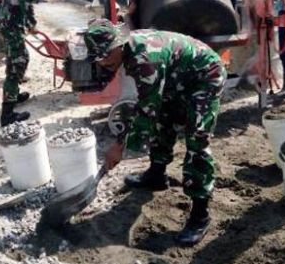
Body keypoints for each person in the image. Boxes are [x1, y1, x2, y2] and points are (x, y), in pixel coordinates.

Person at [84, 22, 227, 246]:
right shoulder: (129, 53)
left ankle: (201, 215)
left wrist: (119, 147)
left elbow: (146, 110)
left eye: (106, 55)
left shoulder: (145, 59)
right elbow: (149, 104)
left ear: (119, 45)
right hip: (176, 77)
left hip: (204, 75)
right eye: (98, 58)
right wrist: (123, 142)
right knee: (163, 120)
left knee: (197, 138)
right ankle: (156, 175)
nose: (103, 62)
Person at [0, 0, 55, 126]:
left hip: (4, 20)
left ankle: (13, 96)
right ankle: (7, 115)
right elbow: (26, 0)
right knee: (17, 64)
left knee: (18, 59)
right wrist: (31, 23)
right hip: (12, 24)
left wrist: (29, 24)